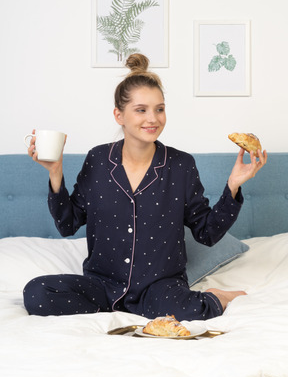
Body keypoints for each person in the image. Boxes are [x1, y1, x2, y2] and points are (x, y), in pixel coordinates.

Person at [23, 53, 267, 321]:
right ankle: (122, 308)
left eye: (159, 109)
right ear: (119, 115)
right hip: (103, 285)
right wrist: (55, 173)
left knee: (187, 309)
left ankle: (218, 296)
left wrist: (232, 187)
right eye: (141, 110)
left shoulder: (181, 165)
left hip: (159, 286)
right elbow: (67, 225)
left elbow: (206, 233)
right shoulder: (98, 160)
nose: (153, 118)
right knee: (36, 293)